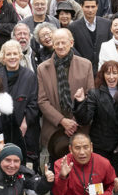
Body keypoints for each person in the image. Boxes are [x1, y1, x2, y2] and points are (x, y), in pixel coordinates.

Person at [37, 28, 96, 160]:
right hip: (53, 130)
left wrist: (74, 123)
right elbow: (42, 100)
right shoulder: (42, 68)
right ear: (52, 44)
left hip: (79, 129)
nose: (60, 46)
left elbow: (90, 97)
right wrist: (62, 121)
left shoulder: (86, 65)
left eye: (63, 42)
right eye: (57, 43)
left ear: (71, 43)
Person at [74, 60, 118, 168]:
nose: (111, 77)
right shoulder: (95, 93)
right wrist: (80, 102)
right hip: (100, 147)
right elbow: (84, 120)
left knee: (117, 181)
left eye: (115, 73)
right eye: (108, 73)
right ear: (103, 75)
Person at [0, 40, 41, 165]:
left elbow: (34, 102)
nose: (12, 57)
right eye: (8, 54)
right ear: (3, 57)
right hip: (2, 129)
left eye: (15, 54)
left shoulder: (30, 76)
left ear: (20, 55)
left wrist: (25, 123)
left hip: (26, 128)